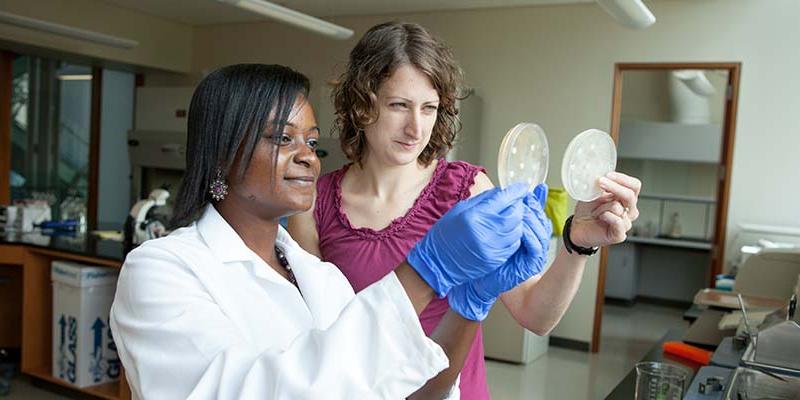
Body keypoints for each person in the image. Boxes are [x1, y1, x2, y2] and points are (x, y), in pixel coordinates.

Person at [109, 63, 545, 399]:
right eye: (283, 139)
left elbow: (407, 391)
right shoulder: (161, 271)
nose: (308, 158)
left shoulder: (320, 277)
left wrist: (470, 305)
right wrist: (425, 272)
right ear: (222, 154)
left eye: (312, 143)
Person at [288, 22, 642, 399]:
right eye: (398, 106)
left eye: (429, 108)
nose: (415, 128)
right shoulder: (313, 203)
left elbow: (536, 316)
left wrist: (578, 243)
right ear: (362, 104)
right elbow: (317, 338)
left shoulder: (465, 190)